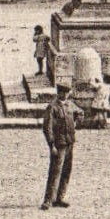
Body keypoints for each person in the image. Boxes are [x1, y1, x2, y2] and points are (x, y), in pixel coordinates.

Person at [40, 80, 77, 209]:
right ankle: (48, 200)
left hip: (69, 142)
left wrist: (76, 124)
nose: (65, 95)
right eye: (63, 92)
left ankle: (60, 197)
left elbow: (79, 114)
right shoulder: (52, 107)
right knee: (55, 172)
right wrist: (51, 145)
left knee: (66, 171)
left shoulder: (69, 105)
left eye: (67, 92)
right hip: (59, 143)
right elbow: (47, 127)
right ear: (59, 92)